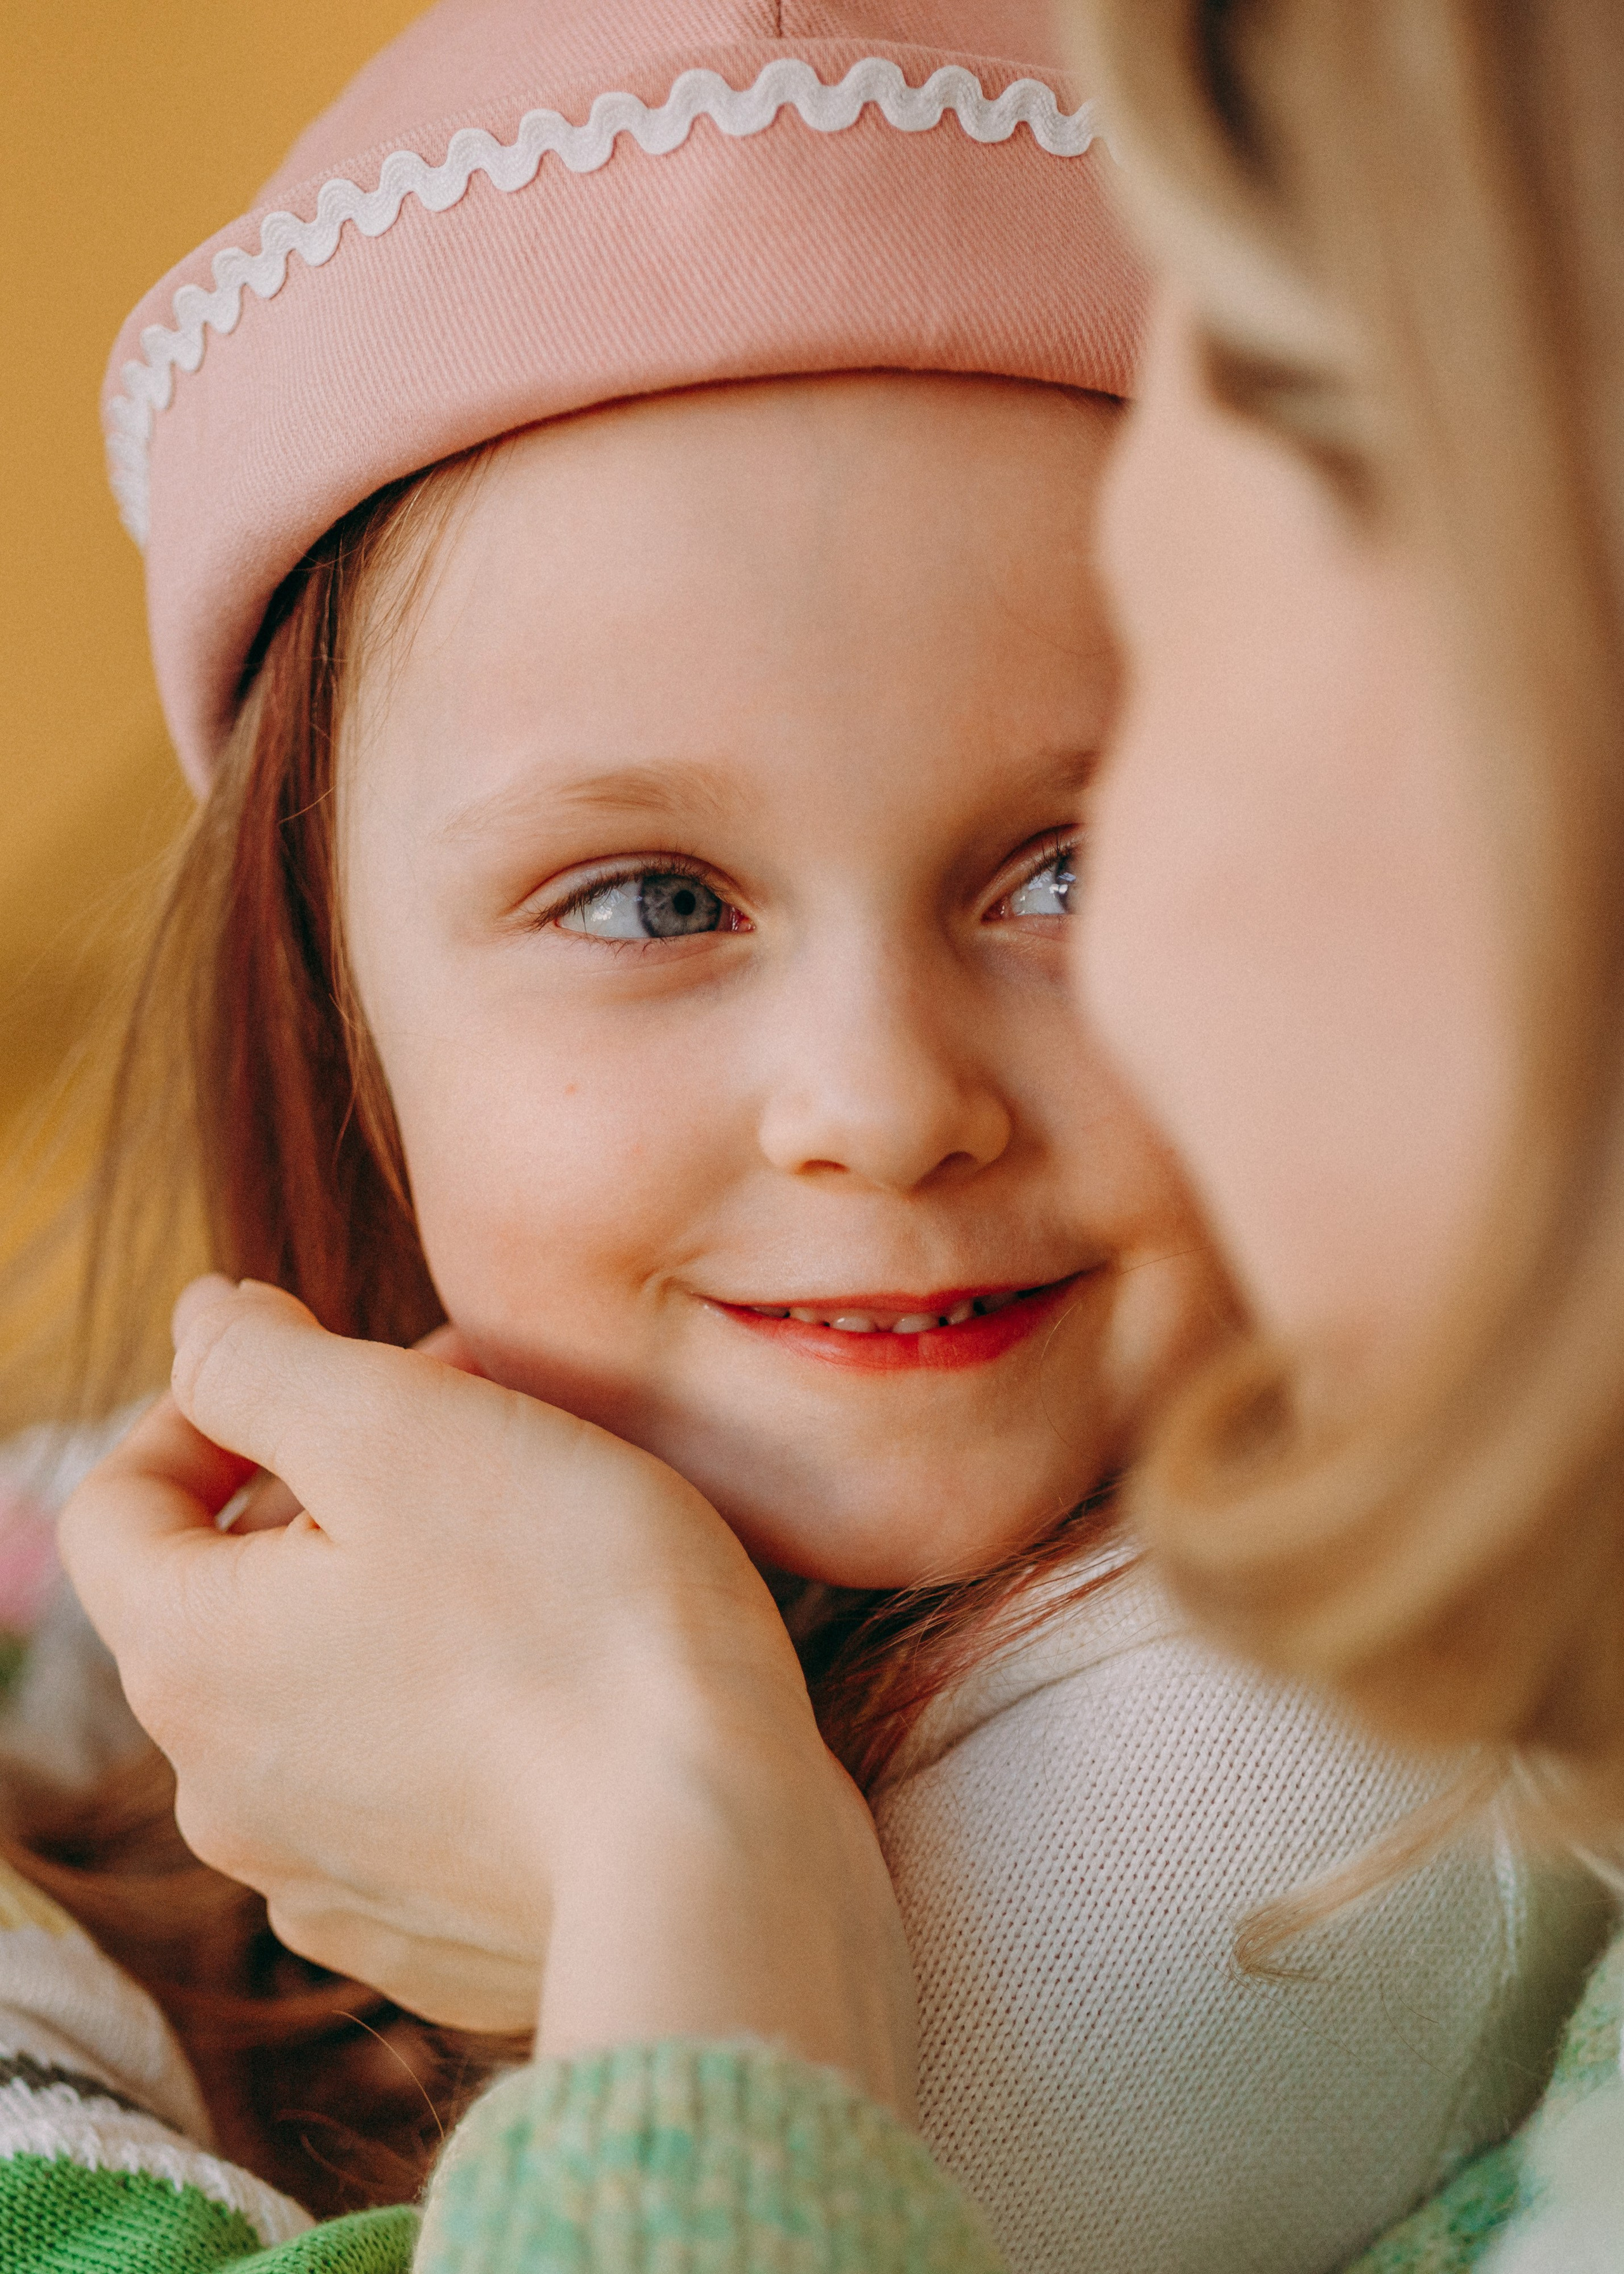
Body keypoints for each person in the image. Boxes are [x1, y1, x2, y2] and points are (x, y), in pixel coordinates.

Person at [9, 6, 1617, 2274]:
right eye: (657, 902)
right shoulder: (114, 1567)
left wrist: (659, 1849)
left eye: (1072, 870)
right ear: (335, 998)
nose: (879, 1101)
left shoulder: (1333, 1790)